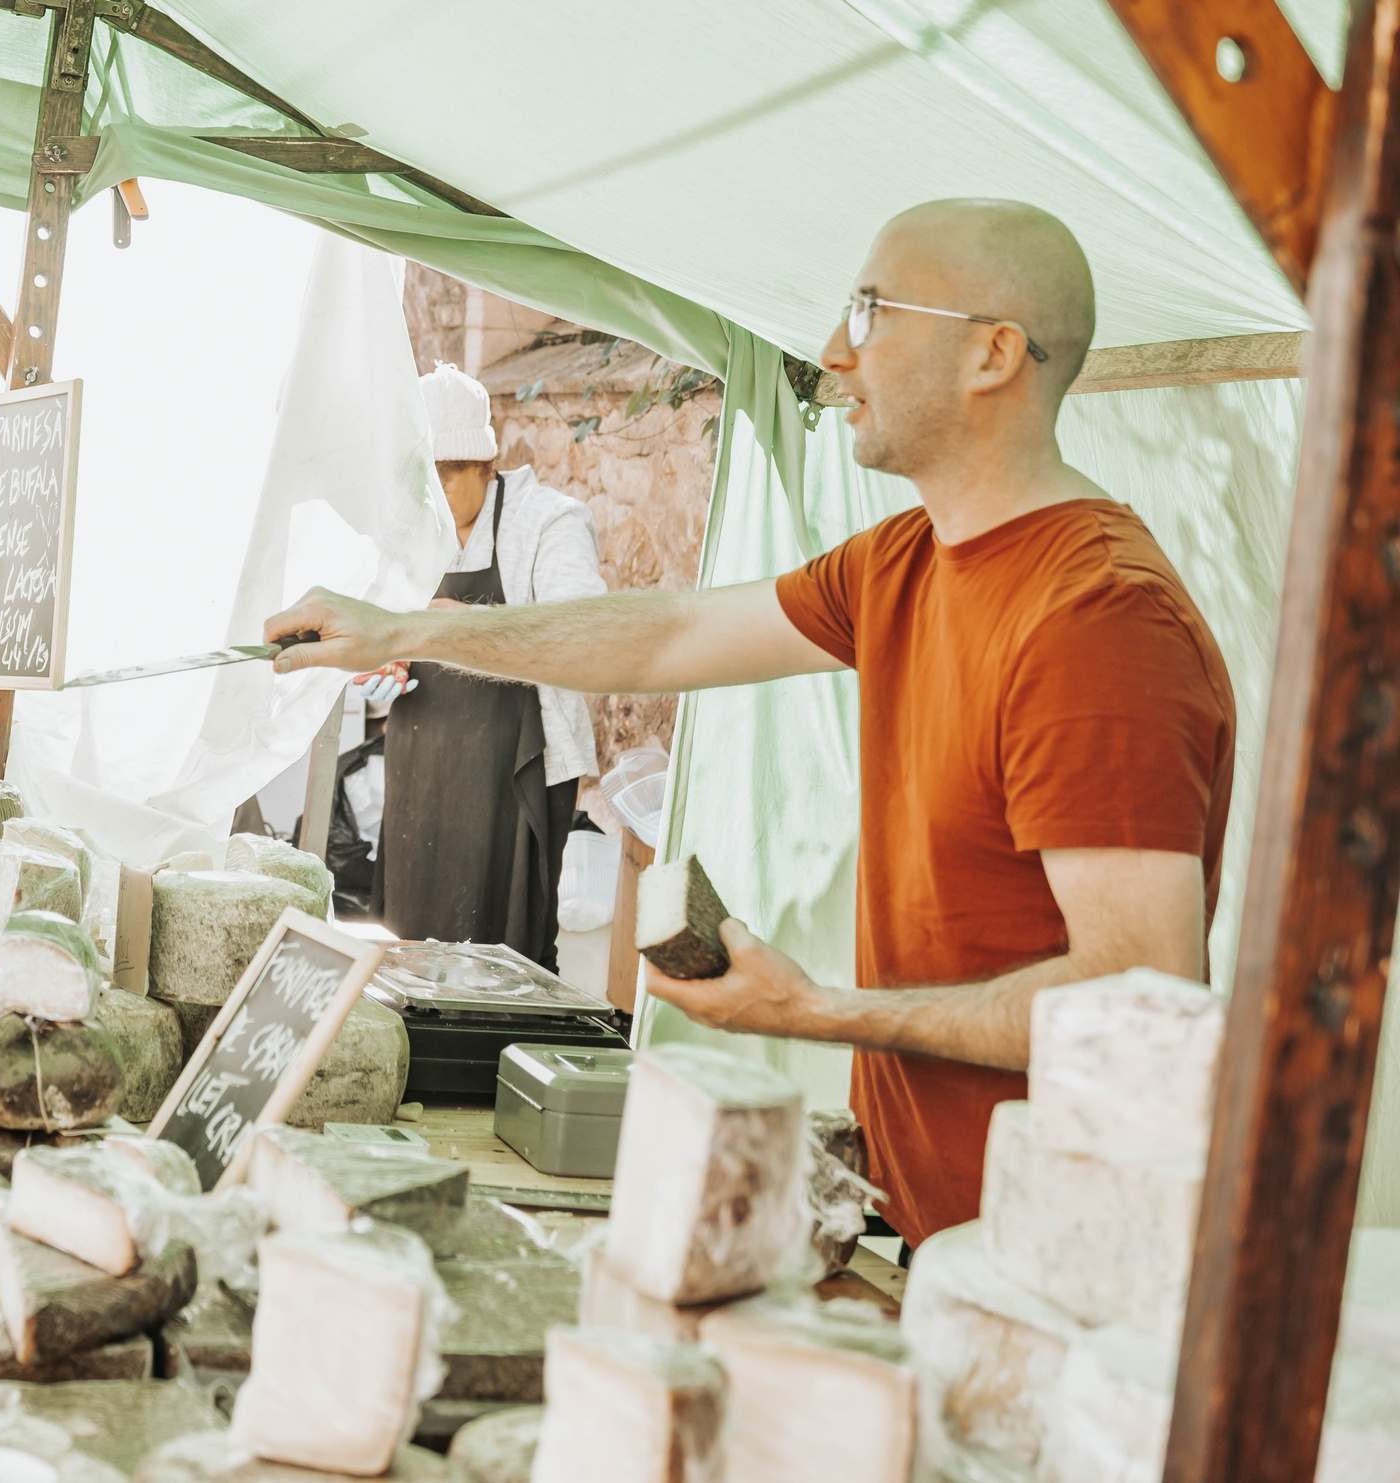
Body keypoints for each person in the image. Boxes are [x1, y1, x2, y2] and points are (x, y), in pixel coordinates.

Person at [265, 199, 1234, 1247]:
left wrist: (817, 1011)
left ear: (993, 354)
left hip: (1056, 1260)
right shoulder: (901, 562)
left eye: (871, 312)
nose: (833, 353)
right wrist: (403, 629)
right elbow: (670, 633)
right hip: (920, 1221)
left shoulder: (1098, 619)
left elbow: (1135, 998)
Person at [354, 364, 605, 964]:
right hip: (423, 763)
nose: (431, 499)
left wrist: (461, 623)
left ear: (484, 466)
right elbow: (380, 627)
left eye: (444, 478)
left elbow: (582, 633)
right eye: (420, 480)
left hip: (517, 767)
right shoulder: (412, 528)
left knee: (504, 943)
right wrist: (385, 660)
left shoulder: (550, 520)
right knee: (411, 939)